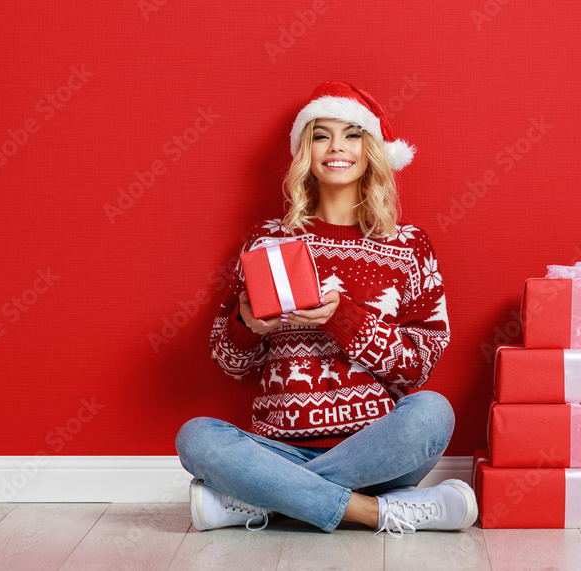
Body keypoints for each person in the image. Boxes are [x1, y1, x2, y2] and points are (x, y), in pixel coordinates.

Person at [175, 81, 475, 536]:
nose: (337, 147)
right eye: (321, 135)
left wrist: (342, 318)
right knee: (195, 437)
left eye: (352, 134)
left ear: (372, 149)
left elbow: (416, 369)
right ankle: (374, 513)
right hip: (277, 450)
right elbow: (229, 363)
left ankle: (266, 500)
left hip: (376, 453)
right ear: (305, 152)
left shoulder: (410, 245)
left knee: (434, 411)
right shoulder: (268, 239)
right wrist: (246, 325)